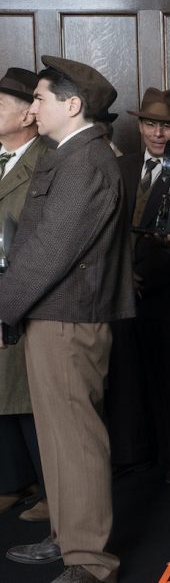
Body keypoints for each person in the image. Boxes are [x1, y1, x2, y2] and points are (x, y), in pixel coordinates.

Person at [0, 55, 135, 583]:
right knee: (58, 437)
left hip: (68, 318)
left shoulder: (85, 162)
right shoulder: (70, 154)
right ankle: (67, 537)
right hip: (52, 315)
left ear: (72, 105)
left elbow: (47, 252)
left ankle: (89, 562)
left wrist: (3, 308)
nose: (33, 108)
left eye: (39, 98)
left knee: (75, 440)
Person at [116, 87, 170, 485]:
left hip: (166, 292)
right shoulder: (124, 166)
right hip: (118, 289)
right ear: (140, 124)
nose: (157, 133)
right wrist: (120, 275)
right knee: (127, 376)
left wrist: (143, 277)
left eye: (165, 126)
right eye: (150, 124)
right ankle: (136, 454)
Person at [0, 67, 48, 522]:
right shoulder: (1, 156)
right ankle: (14, 481)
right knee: (2, 392)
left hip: (25, 292)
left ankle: (54, 490)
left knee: (31, 397)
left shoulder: (47, 160)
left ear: (29, 115)